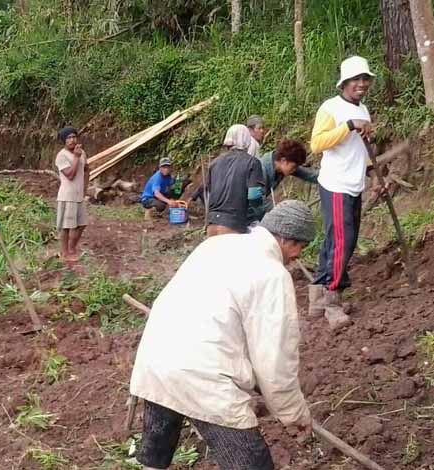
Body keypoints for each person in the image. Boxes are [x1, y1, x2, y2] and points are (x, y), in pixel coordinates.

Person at [130, 200, 316, 470]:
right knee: (253, 464)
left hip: (157, 358)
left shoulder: (215, 245)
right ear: (287, 239)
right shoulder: (272, 274)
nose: (297, 257)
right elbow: (275, 359)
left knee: (155, 456)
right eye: (301, 248)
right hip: (203, 375)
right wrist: (294, 414)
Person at [307, 56, 377, 328]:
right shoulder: (331, 108)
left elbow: (362, 150)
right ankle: (332, 302)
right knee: (342, 242)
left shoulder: (365, 110)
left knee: (334, 241)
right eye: (356, 80)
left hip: (354, 183)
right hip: (335, 184)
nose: (361, 84)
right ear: (344, 83)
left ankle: (316, 298)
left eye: (365, 79)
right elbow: (317, 144)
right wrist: (348, 126)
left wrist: (372, 173)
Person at [196, 124, 266, 237]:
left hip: (211, 225)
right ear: (247, 142)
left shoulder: (214, 163)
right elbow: (254, 196)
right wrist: (260, 214)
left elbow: (204, 192)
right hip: (233, 226)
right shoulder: (252, 162)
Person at [250, 139, 318, 222]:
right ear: (283, 161)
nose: (295, 170)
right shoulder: (261, 171)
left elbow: (310, 175)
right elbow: (257, 203)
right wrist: (283, 212)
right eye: (294, 167)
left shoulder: (280, 165)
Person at [54, 127, 89, 262]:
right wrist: (75, 157)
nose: (72, 140)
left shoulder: (82, 153)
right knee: (66, 226)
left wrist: (85, 188)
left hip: (79, 195)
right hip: (67, 196)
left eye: (74, 137)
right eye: (68, 138)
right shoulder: (62, 156)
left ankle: (72, 248)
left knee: (82, 224)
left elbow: (86, 169)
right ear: (64, 141)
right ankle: (65, 252)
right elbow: (70, 175)